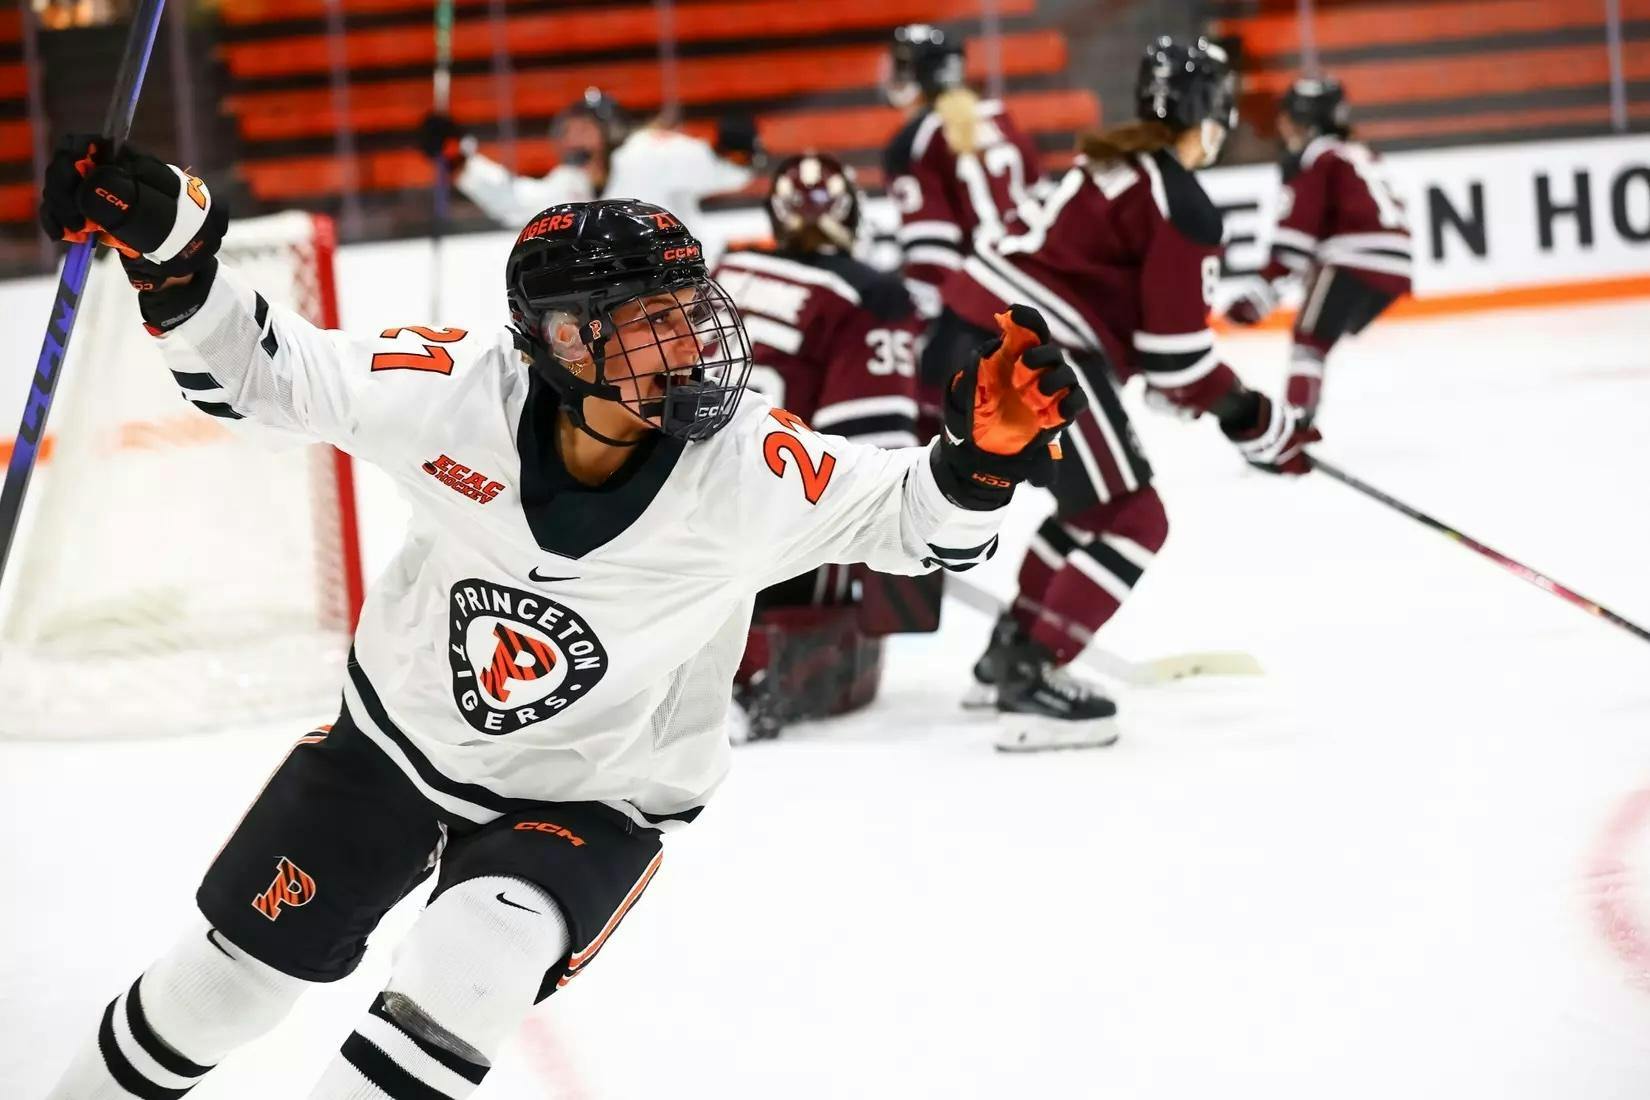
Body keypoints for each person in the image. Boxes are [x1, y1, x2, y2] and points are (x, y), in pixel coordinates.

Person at [37, 132, 1084, 1098]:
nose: (692, 340)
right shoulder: (453, 388)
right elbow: (262, 374)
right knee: (220, 989)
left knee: (473, 960)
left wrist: (978, 463)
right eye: (653, 318)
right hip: (394, 746)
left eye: (691, 308)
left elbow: (914, 519)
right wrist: (176, 256)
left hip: (597, 793)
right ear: (567, 340)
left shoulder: (746, 470)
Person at [935, 36, 1320, 752]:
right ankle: (1032, 677)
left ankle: (1010, 653)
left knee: (1090, 507)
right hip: (1034, 356)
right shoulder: (1182, 200)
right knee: (1135, 518)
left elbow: (1141, 336)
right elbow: (1177, 362)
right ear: (1210, 115)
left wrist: (1190, 389)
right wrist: (1254, 420)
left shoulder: (1104, 160)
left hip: (963, 334)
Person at [712, 152, 926, 740]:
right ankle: (748, 679)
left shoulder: (729, 270)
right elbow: (872, 457)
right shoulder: (871, 296)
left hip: (671, 502)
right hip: (775, 531)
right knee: (852, 502)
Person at [880, 23, 1043, 438]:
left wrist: (916, 323)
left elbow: (933, 253)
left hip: (979, 301)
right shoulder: (1000, 116)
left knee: (928, 412)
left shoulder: (915, 140)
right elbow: (1043, 203)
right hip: (1042, 287)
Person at [1223, 77, 1413, 423]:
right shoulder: (1357, 153)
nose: (1282, 126)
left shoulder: (1318, 158)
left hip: (1355, 258)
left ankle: (1296, 424)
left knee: (1309, 340)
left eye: (1289, 118)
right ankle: (1299, 418)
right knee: (1317, 331)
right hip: (1397, 268)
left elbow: (1295, 238)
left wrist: (1258, 296)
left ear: (1306, 121)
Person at [422, 86, 760, 240]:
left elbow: (723, 170)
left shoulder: (649, 154)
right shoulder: (571, 181)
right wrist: (459, 161)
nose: (573, 139)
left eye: (583, 129)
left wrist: (737, 149)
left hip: (685, 288)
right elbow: (516, 202)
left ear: (609, 132)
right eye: (568, 131)